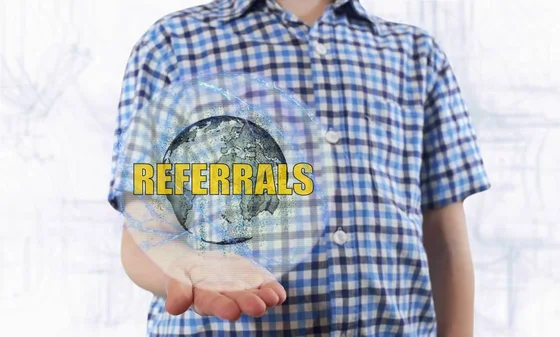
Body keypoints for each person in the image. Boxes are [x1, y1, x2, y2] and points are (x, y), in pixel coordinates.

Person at [108, 0, 491, 336]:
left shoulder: (416, 55)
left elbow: (445, 241)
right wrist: (185, 270)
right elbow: (143, 227)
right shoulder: (173, 44)